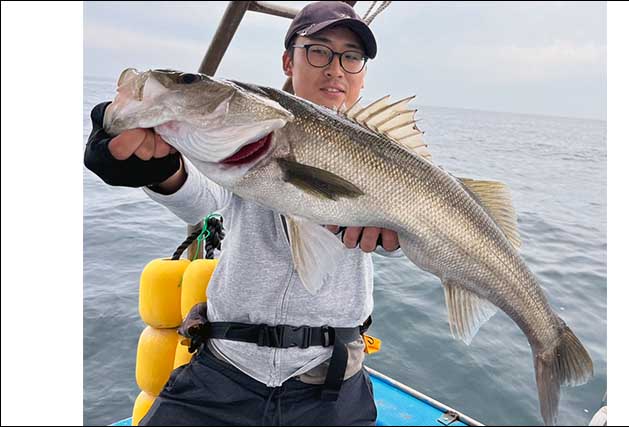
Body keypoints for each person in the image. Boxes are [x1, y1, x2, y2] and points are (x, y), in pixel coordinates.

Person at [84, 2, 401, 425]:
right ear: (289, 60)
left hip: (331, 380)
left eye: (352, 56)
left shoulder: (391, 156)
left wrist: (396, 235)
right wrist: (156, 168)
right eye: (319, 50)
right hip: (226, 371)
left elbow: (415, 237)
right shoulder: (241, 134)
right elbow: (198, 196)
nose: (336, 69)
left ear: (362, 74)